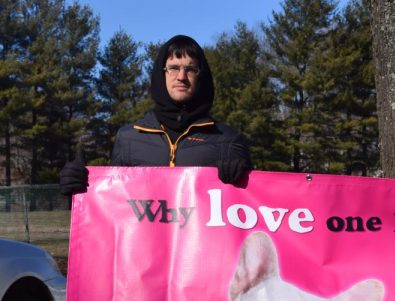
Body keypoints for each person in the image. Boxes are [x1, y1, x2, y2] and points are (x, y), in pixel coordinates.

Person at [59, 34, 251, 194]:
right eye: (174, 68)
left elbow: (250, 211)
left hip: (200, 240)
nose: (181, 77)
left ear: (201, 76)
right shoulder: (129, 139)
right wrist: (80, 189)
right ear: (162, 73)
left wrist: (247, 179)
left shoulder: (228, 140)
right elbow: (114, 206)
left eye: (191, 69)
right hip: (145, 241)